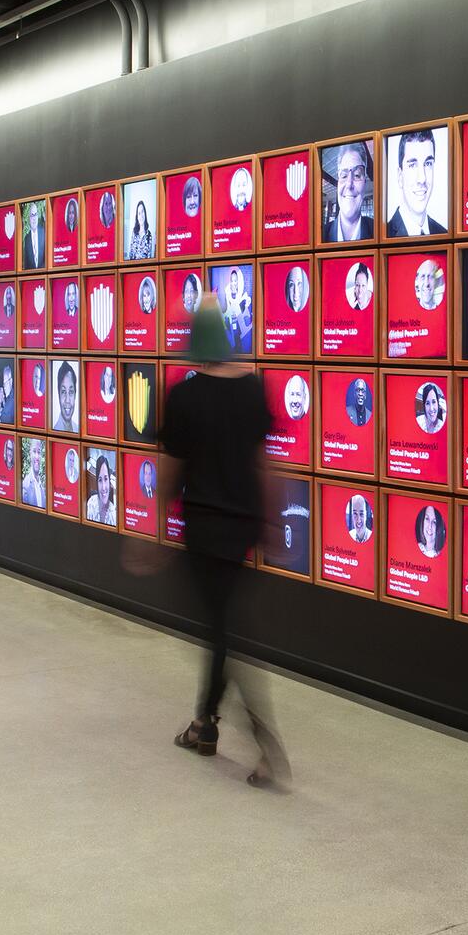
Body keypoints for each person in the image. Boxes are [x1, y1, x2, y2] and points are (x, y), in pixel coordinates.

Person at [158, 295, 289, 787]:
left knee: (223, 635)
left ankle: (264, 742)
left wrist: (153, 529)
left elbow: (170, 472)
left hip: (204, 529)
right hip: (243, 529)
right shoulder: (253, 390)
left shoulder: (185, 397)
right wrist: (273, 525)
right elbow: (265, 464)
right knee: (221, 629)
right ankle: (203, 724)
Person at [385, 129, 446, 237]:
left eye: (428, 164)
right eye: (412, 165)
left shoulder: (443, 232)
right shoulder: (386, 233)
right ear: (400, 176)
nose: (422, 178)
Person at [322, 142, 373, 243]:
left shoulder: (381, 230)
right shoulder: (320, 235)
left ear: (365, 183)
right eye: (344, 176)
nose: (349, 184)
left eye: (357, 175)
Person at [86, 454, 117, 526]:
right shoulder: (91, 503)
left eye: (106, 479)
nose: (103, 487)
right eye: (100, 480)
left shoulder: (113, 515)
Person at [53, 361, 79, 433]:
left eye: (71, 392)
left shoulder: (78, 429)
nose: (67, 400)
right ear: (58, 394)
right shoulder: (55, 429)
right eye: (63, 392)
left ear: (75, 394)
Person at [20, 439, 48, 508]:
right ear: (30, 454)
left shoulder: (42, 487)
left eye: (39, 452)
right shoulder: (25, 486)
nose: (37, 457)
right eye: (34, 451)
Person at [23, 202, 46, 269]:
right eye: (32, 215)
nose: (34, 218)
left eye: (35, 214)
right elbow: (26, 264)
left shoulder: (44, 232)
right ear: (29, 218)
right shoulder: (26, 239)